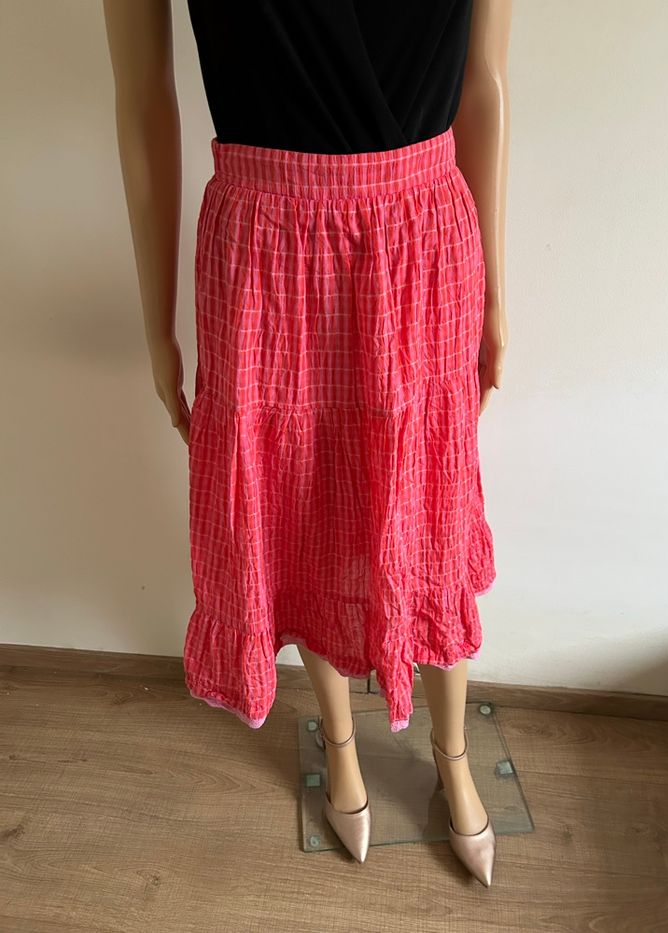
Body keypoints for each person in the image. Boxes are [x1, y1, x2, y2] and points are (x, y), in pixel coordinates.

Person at [103, 0, 510, 885]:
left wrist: (497, 296)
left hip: (423, 239)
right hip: (265, 248)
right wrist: (155, 324)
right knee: (301, 513)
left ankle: (453, 754)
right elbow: (141, 95)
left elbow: (482, 83)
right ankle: (341, 746)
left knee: (431, 518)